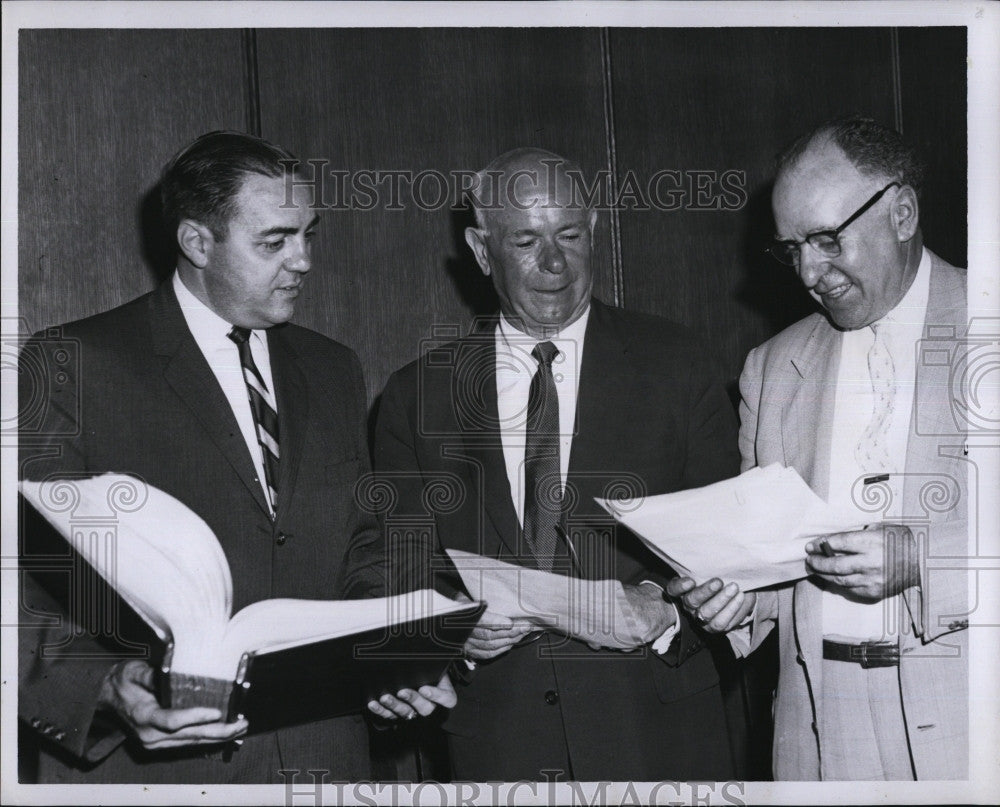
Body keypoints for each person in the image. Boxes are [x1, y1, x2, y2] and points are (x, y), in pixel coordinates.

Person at [17, 131, 454, 784]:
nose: (303, 259)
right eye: (275, 241)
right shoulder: (70, 364)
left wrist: (389, 655)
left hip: (326, 764)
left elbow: (364, 545)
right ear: (196, 242)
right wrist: (110, 686)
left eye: (309, 234)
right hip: (159, 773)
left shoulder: (333, 368)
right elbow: (17, 584)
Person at [374, 148, 745, 781]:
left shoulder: (681, 366)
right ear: (482, 250)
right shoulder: (417, 396)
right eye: (525, 240)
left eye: (569, 235)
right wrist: (449, 630)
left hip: (661, 739)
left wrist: (660, 605)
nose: (553, 263)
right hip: (498, 748)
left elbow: (732, 551)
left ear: (594, 231)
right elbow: (391, 566)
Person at [668, 117, 968, 780]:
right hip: (817, 725)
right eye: (792, 249)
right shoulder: (772, 366)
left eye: (828, 240)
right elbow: (768, 557)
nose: (808, 271)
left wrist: (924, 558)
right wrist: (736, 598)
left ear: (902, 212)